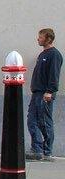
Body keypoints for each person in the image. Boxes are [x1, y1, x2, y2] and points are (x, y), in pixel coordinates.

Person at [26, 28, 62, 162]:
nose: (38, 39)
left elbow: (54, 75)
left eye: (40, 37)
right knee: (32, 121)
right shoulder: (42, 54)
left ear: (48, 39)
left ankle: (47, 151)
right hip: (36, 93)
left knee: (45, 122)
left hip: (45, 93)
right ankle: (37, 149)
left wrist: (50, 91)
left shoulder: (54, 55)